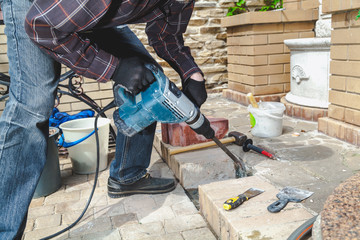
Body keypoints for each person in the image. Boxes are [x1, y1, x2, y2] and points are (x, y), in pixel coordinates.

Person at [24, 0, 207, 197]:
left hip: (96, 20)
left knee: (147, 76)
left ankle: (127, 176)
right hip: (41, 16)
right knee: (33, 105)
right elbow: (41, 27)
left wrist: (192, 74)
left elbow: (166, 35)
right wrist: (115, 68)